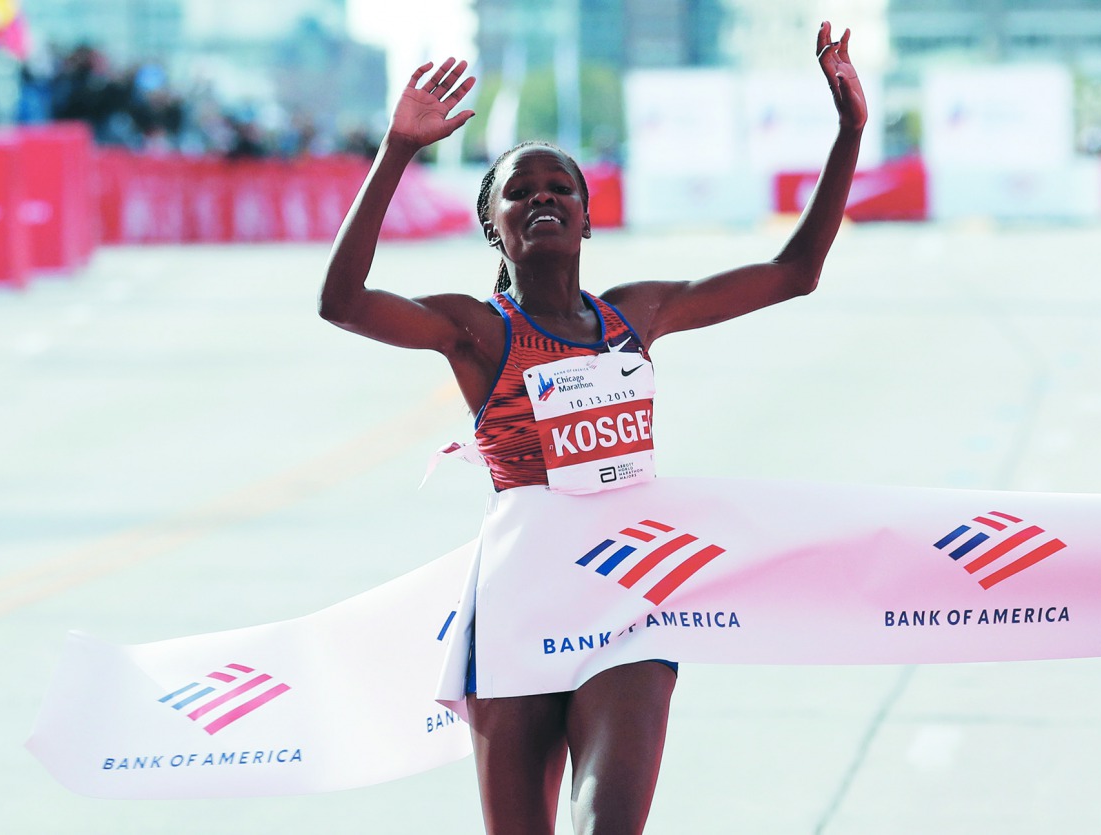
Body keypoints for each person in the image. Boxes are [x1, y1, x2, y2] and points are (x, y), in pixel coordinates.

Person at [319, 21, 866, 835]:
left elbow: (795, 272)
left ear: (585, 219)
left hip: (626, 599)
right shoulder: (477, 329)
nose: (542, 197)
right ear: (494, 227)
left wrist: (850, 128)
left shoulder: (636, 315)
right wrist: (398, 150)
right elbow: (342, 302)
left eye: (559, 189)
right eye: (520, 192)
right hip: (519, 602)